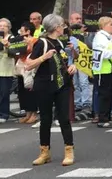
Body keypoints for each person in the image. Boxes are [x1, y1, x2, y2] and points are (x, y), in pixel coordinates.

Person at [25, 14, 76, 167]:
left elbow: (63, 61)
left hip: (62, 84)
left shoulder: (61, 42)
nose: (64, 28)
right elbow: (28, 64)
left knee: (64, 118)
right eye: (62, 25)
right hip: (44, 85)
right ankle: (44, 151)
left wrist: (72, 67)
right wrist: (43, 58)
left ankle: (69, 150)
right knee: (45, 119)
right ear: (55, 27)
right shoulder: (41, 43)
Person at [91, 16, 112, 129]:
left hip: (109, 70)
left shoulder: (108, 37)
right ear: (103, 26)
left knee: (109, 94)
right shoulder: (100, 38)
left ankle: (106, 117)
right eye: (111, 24)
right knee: (104, 95)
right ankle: (102, 119)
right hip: (102, 71)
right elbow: (101, 54)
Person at [68, 12, 92, 114]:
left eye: (80, 18)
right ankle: (77, 103)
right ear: (71, 20)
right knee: (75, 83)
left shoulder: (86, 33)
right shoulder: (68, 32)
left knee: (84, 82)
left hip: (83, 61)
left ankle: (86, 103)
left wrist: (85, 35)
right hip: (72, 60)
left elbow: (90, 45)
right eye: (76, 18)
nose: (79, 20)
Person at [15, 23, 39, 125]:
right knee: (22, 91)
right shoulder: (19, 40)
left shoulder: (35, 41)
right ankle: (27, 113)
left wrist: (27, 44)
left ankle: (34, 114)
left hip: (30, 68)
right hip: (20, 68)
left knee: (30, 91)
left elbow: (30, 51)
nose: (20, 33)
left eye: (22, 30)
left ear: (28, 31)